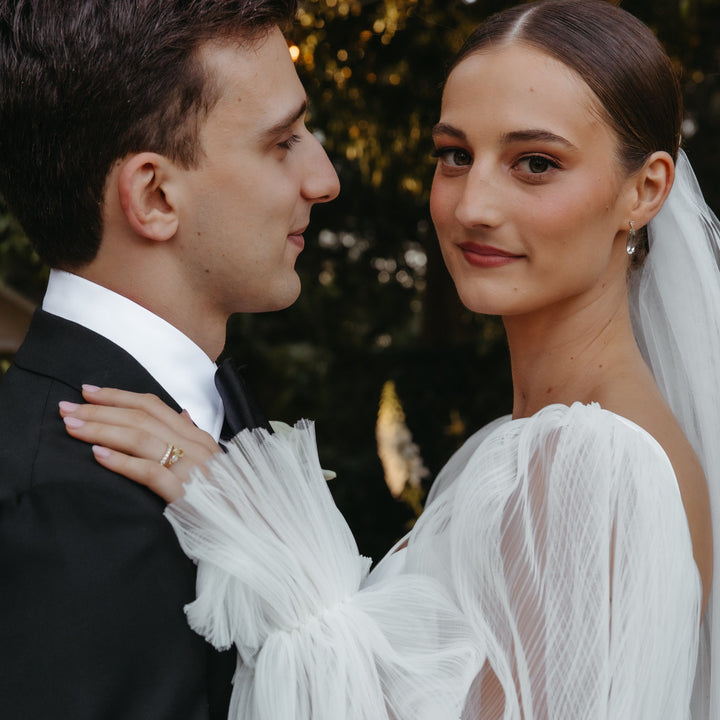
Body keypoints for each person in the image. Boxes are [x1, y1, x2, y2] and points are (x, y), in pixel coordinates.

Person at [58, 0, 720, 717]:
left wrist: (265, 543)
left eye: (535, 163)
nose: (473, 206)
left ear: (644, 190)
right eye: (456, 156)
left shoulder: (596, 462)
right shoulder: (539, 441)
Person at [0, 1, 339, 717]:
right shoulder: (71, 512)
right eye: (283, 142)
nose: (324, 178)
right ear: (155, 196)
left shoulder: (201, 411)